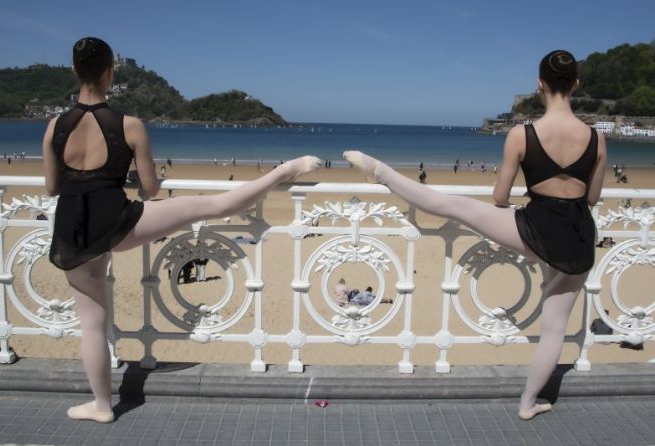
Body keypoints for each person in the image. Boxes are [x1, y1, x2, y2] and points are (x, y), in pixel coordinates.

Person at [42, 37, 321, 423]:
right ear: (110, 73)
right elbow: (152, 189)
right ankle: (285, 170)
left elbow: (53, 187)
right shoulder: (129, 125)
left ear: (74, 71)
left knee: (91, 323)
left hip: (73, 231)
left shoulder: (54, 126)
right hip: (120, 222)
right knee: (211, 204)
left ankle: (103, 406)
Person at [344, 50, 606, 421]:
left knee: (456, 206)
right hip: (578, 239)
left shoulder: (522, 134)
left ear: (540, 84)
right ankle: (528, 403)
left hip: (534, 230)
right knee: (555, 328)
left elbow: (499, 198)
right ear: (576, 85)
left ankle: (381, 171)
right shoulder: (596, 137)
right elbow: (591, 197)